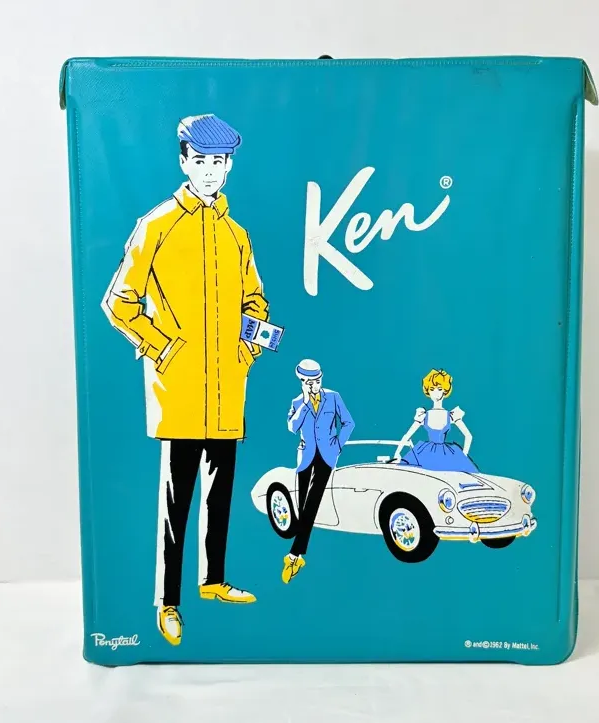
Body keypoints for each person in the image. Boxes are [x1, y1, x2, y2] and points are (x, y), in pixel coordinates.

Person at [101, 114, 269, 647]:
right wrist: (161, 347)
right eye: (202, 161)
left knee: (221, 493)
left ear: (230, 165)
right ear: (183, 161)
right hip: (179, 390)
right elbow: (119, 302)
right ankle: (167, 601)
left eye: (220, 161)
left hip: (228, 390)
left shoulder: (236, 235)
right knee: (176, 501)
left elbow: (255, 301)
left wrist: (247, 349)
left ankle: (214, 580)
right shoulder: (156, 225)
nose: (212, 171)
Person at [283, 360, 354, 583]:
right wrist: (305, 403)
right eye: (309, 381)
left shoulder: (333, 397)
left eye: (317, 380)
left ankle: (293, 556)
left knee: (312, 503)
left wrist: (338, 445)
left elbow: (349, 422)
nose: (314, 385)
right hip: (305, 456)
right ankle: (297, 555)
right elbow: (292, 427)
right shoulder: (297, 403)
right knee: (302, 505)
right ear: (302, 381)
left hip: (327, 455)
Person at [392, 369, 479, 472]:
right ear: (428, 391)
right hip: (424, 453)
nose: (435, 393)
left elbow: (468, 435)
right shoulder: (423, 415)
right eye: (432, 389)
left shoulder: (451, 415)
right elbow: (407, 435)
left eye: (439, 389)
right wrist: (397, 453)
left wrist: (463, 456)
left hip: (446, 455)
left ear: (445, 390)